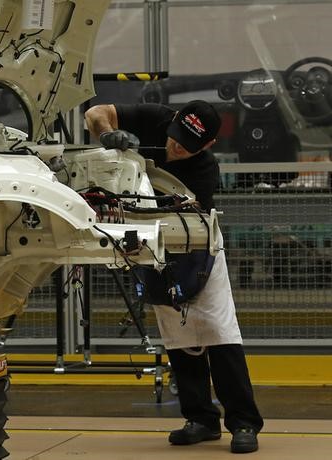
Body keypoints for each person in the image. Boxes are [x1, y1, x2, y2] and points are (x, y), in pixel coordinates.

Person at [84, 100, 264, 454]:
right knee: (179, 336)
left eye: (187, 145)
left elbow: (189, 226)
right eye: (175, 136)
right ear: (174, 119)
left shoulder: (204, 172)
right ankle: (200, 419)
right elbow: (94, 113)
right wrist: (108, 134)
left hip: (197, 247)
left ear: (208, 145)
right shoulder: (155, 116)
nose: (176, 146)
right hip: (152, 245)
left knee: (219, 333)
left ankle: (244, 423)